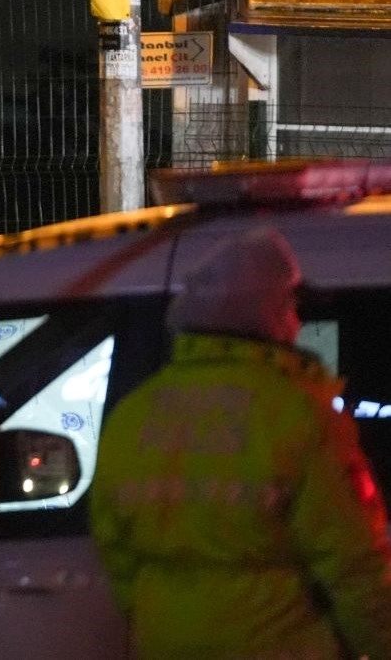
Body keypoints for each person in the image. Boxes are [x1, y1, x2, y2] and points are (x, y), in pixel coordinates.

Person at [91, 226, 391, 660]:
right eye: (291, 305)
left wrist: (161, 616)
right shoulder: (301, 414)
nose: (297, 320)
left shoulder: (134, 412)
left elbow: (113, 545)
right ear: (269, 312)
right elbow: (352, 561)